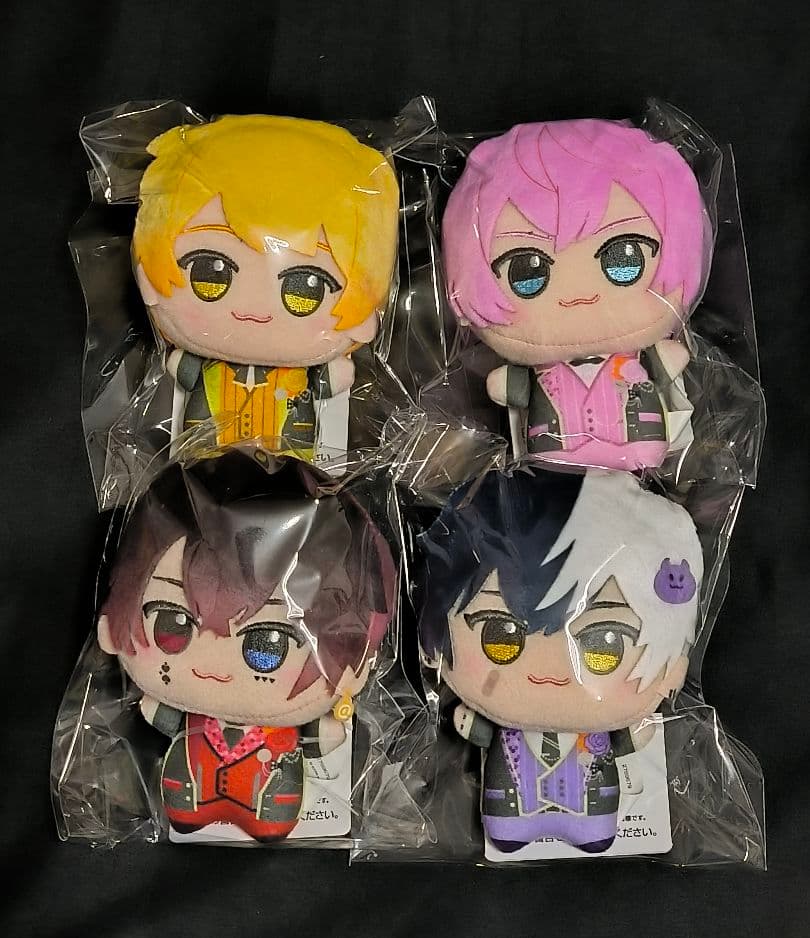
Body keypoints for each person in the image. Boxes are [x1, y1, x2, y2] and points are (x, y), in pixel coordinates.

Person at [97, 451, 397, 841]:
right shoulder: (190, 719)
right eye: (173, 625)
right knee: (185, 803)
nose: (212, 666)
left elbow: (319, 738)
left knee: (272, 808)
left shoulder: (285, 727)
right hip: (191, 786)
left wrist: (324, 732)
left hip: (269, 793)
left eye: (267, 645)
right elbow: (160, 716)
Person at [416, 466, 703, 853]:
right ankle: (514, 827)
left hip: (589, 797)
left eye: (604, 647)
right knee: (507, 821)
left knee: (593, 819)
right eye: (501, 637)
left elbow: (625, 739)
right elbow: (478, 731)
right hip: (513, 797)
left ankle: (589, 828)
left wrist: (632, 733)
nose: (551, 671)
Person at [442, 119, 711, 469]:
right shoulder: (538, 372)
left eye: (623, 259)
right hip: (555, 451)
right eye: (528, 273)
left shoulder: (639, 358)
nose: (579, 295)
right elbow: (505, 386)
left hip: (638, 439)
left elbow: (668, 360)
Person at [133, 114, 399, 455]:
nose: (254, 308)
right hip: (207, 455)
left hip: (289, 460)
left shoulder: (302, 373)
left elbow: (329, 382)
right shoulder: (205, 367)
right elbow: (180, 367)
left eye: (306, 289)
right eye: (210, 274)